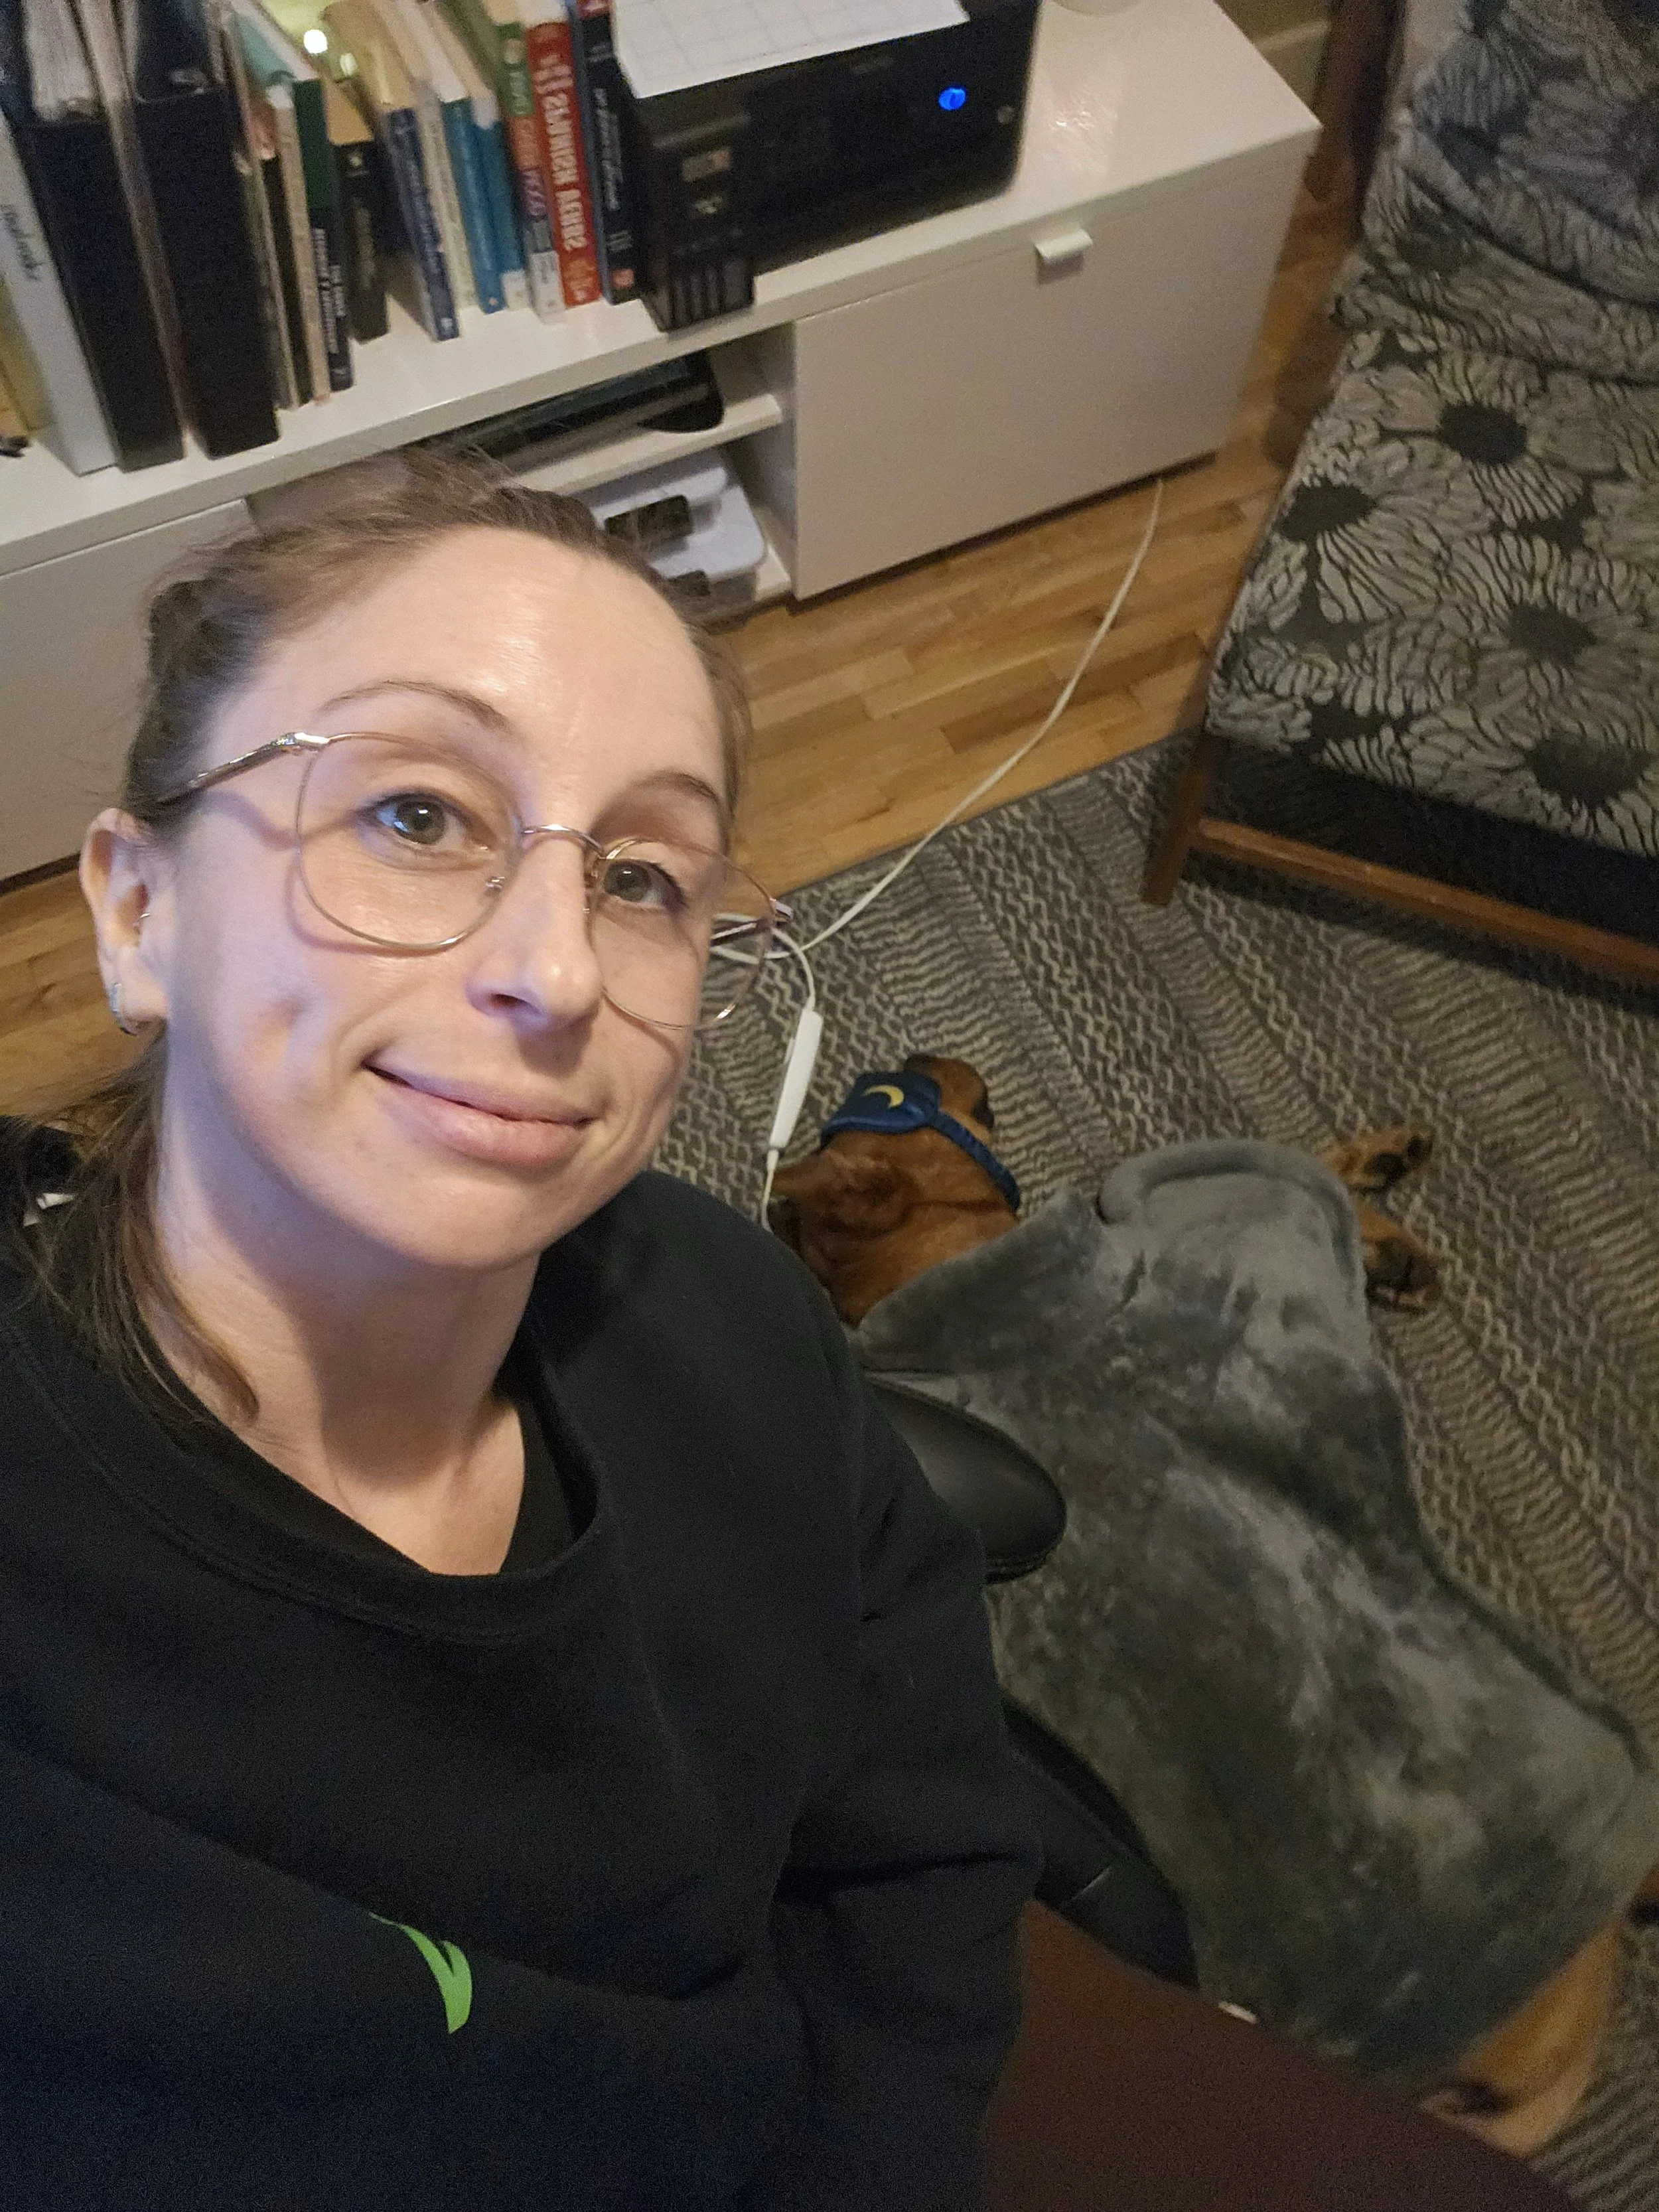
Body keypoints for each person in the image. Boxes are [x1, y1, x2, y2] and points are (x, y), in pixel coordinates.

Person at [0, 462, 1041, 2210]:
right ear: (138, 908)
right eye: (415, 814)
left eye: (643, 875)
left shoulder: (718, 1306)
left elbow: (916, 1842)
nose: (556, 971)